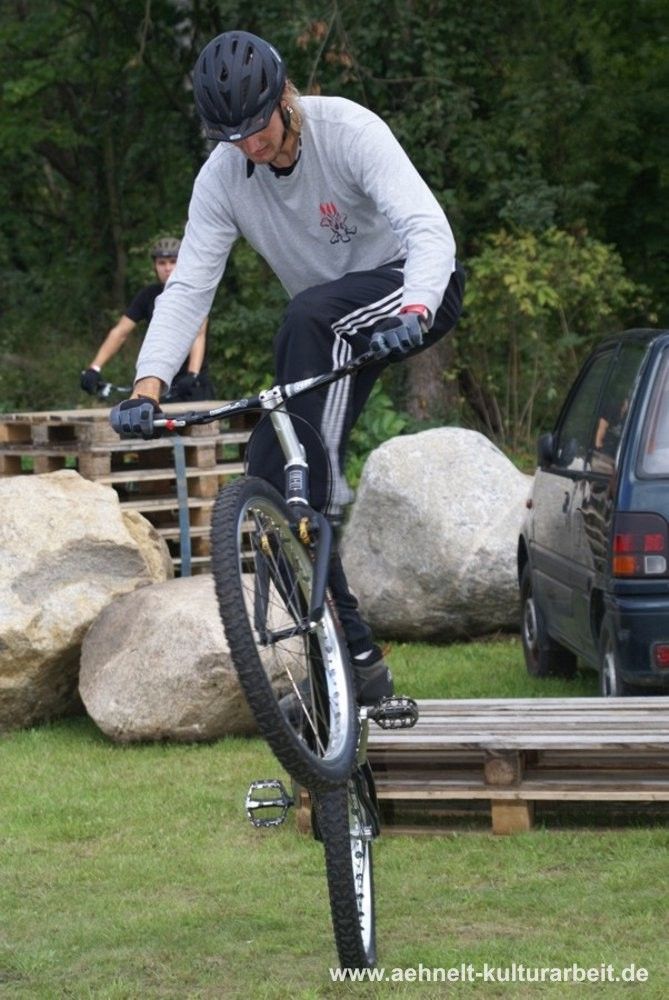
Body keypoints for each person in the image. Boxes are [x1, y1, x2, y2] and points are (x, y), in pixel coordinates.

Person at [110, 30, 465, 705]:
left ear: (284, 99)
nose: (249, 145)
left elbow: (427, 228)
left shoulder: (347, 130)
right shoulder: (221, 177)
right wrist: (147, 388)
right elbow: (189, 287)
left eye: (257, 128)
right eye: (231, 136)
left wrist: (416, 307)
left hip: (412, 291)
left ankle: (317, 501)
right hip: (333, 328)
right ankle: (354, 656)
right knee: (272, 474)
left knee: (306, 325)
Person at [80, 237, 215, 402]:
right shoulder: (148, 295)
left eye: (173, 262)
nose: (167, 268)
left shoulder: (193, 293)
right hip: (159, 380)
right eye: (162, 263)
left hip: (191, 384)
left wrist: (193, 374)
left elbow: (198, 335)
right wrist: (94, 368)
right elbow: (120, 332)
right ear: (155, 266)